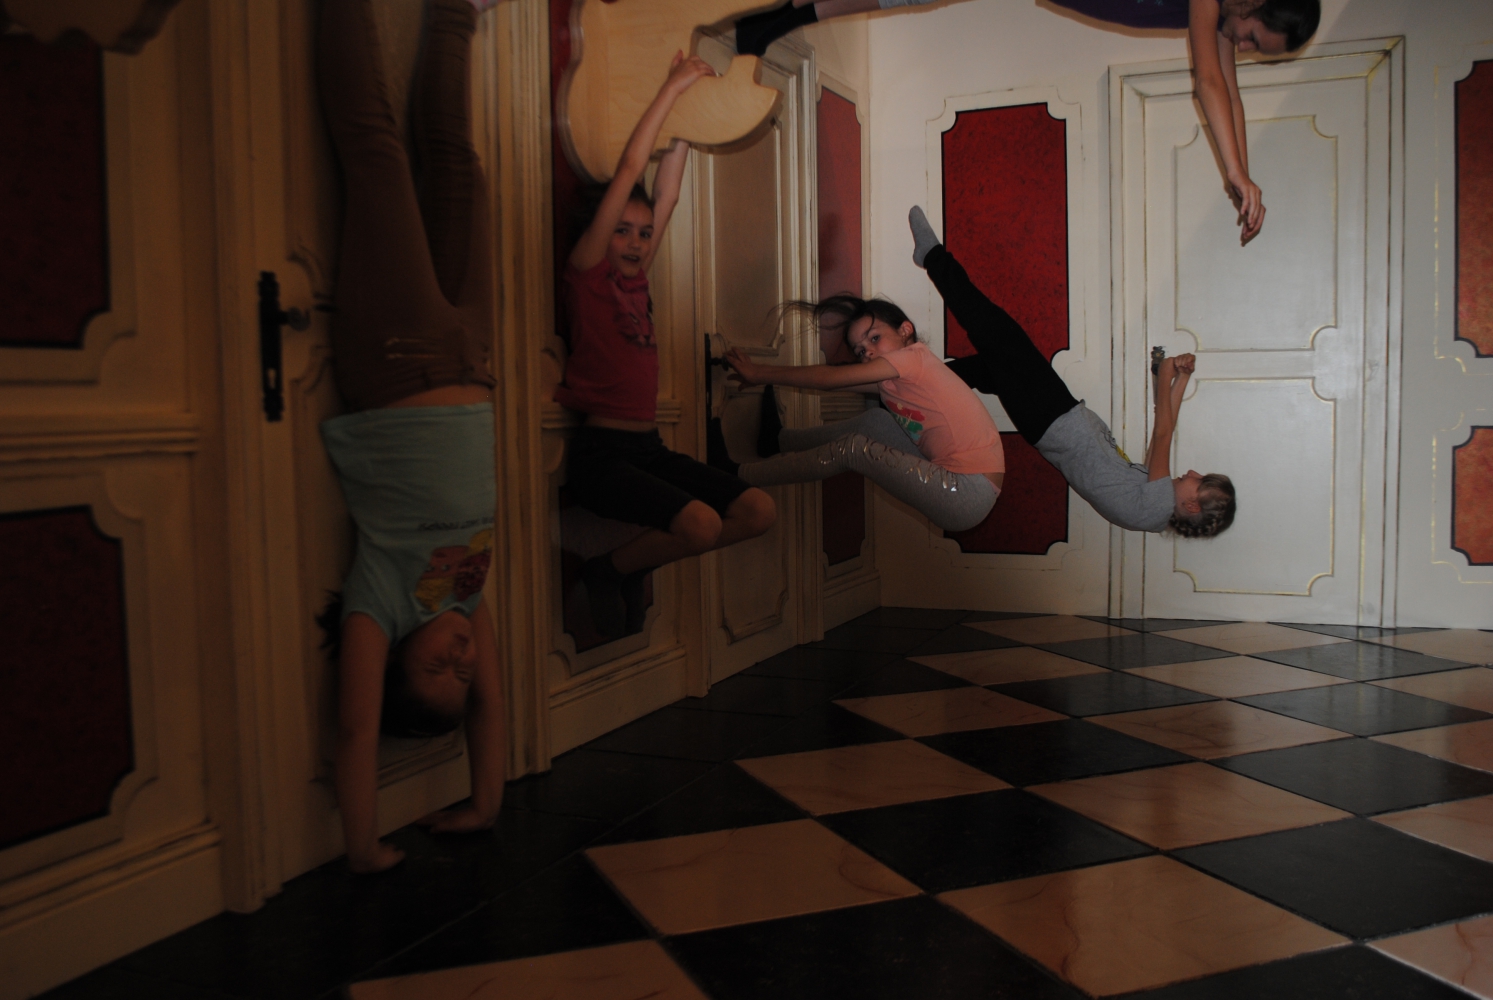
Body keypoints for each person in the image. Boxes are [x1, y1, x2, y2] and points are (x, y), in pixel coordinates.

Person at [316, 0, 506, 874]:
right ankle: (456, 11)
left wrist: (362, 848)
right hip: (471, 355)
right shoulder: (464, 595)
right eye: (462, 676)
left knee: (377, 153)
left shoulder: (380, 604)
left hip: (396, 362)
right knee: (459, 164)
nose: (462, 662)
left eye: (439, 672)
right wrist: (486, 801)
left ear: (397, 660)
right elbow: (490, 708)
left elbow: (356, 729)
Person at [735, 0, 1320, 244]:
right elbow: (1209, 83)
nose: (1243, 46)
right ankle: (777, 20)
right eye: (1252, 36)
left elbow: (1231, 98)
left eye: (1253, 48)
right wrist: (1237, 174)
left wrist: (1243, 179)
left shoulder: (1221, 22)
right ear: (1255, 1)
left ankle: (778, 22)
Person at [558, 55, 777, 637]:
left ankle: (626, 566)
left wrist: (688, 120)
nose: (635, 243)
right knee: (701, 525)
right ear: (600, 234)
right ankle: (608, 571)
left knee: (758, 510)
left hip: (648, 448)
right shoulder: (588, 275)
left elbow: (669, 194)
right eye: (622, 231)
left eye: (644, 233)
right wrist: (672, 87)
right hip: (602, 455)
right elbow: (634, 168)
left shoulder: (636, 282)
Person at [908, 206, 1236, 536]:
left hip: (1051, 418)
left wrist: (1166, 371)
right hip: (1054, 417)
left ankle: (933, 257)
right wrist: (1182, 379)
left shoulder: (1157, 506)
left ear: (1192, 506)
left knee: (995, 330)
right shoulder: (1151, 511)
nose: (1192, 472)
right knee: (985, 369)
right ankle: (905, 388)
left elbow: (1163, 432)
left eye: (1200, 482)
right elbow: (1163, 429)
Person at [719, 295, 1005, 533]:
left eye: (875, 338)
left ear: (905, 330)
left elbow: (830, 380)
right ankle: (777, 440)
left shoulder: (913, 359)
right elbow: (839, 382)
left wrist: (759, 373)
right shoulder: (896, 375)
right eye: (860, 350)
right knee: (875, 422)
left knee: (854, 450)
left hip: (966, 491)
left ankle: (738, 476)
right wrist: (765, 376)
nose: (867, 352)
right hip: (963, 481)